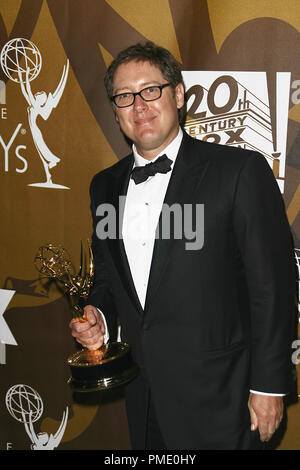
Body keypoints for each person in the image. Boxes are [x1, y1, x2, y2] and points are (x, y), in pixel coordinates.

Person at [70, 42, 296, 450]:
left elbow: (273, 287)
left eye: (150, 90)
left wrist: (269, 385)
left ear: (177, 94)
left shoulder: (238, 172)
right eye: (125, 96)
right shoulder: (103, 186)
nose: (138, 105)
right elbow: (107, 276)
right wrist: (99, 317)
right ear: (116, 109)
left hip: (224, 398)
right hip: (142, 393)